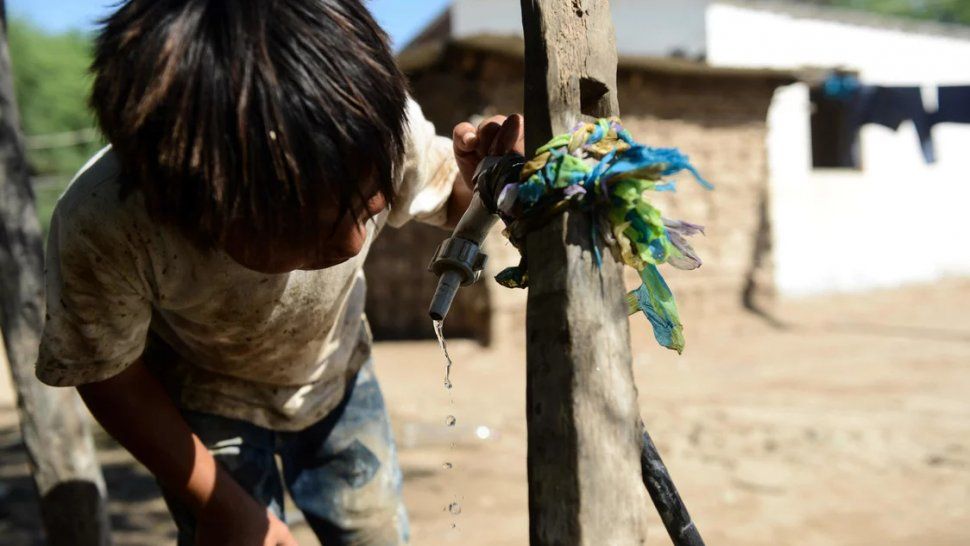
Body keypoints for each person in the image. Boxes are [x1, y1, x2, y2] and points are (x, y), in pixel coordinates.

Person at [34, 1, 524, 544]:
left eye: (368, 208)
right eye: (309, 230)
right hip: (202, 399)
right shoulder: (108, 222)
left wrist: (484, 183)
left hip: (339, 378)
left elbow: (452, 203)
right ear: (201, 209)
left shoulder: (375, 127)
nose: (352, 244)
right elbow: (110, 376)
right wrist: (220, 502)